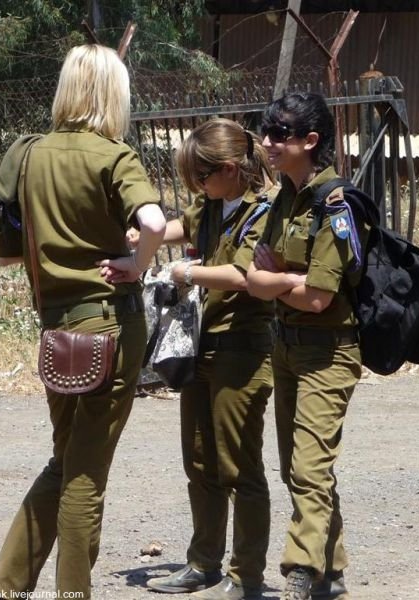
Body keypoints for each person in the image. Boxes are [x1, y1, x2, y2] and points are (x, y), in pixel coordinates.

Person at [0, 44, 166, 599]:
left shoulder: (28, 154)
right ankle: (72, 594)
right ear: (114, 94)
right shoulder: (114, 155)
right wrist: (137, 262)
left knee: (65, 460)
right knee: (86, 472)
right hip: (110, 325)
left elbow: (9, 253)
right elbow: (155, 220)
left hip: (56, 328)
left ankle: (8, 585)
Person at [108, 118, 277, 600]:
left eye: (201, 177)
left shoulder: (264, 210)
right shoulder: (213, 201)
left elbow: (243, 274)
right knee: (199, 461)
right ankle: (203, 563)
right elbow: (185, 224)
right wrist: (141, 236)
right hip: (201, 345)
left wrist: (185, 271)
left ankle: (247, 575)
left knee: (239, 467)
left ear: (228, 168)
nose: (196, 188)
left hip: (242, 349)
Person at [247, 92, 369, 600]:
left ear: (310, 141)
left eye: (280, 135)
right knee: (298, 467)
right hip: (288, 346)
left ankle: (299, 573)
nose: (268, 143)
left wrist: (270, 282)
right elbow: (260, 264)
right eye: (267, 133)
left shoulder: (334, 203)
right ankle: (331, 572)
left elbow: (318, 297)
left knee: (309, 467)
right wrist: (277, 279)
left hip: (328, 351)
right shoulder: (284, 199)